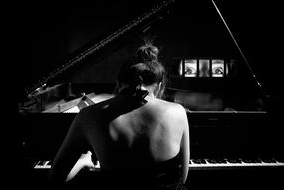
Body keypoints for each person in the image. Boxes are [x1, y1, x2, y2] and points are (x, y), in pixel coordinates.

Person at [49, 42, 190, 190]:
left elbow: (55, 178)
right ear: (160, 84)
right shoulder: (178, 111)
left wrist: (84, 161)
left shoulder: (88, 116)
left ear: (119, 82)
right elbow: (183, 178)